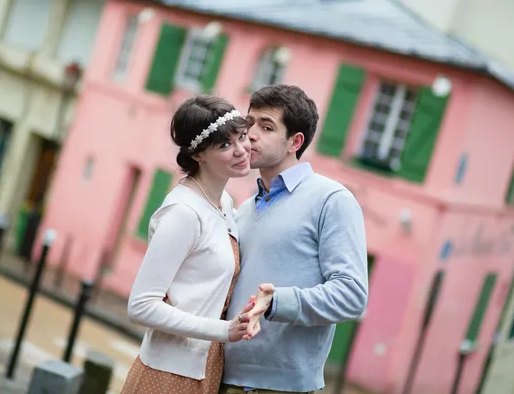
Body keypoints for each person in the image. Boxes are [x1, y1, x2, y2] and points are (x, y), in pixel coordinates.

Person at [220, 85, 369, 394]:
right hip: (222, 377)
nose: (251, 134)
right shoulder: (244, 209)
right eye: (250, 123)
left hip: (282, 389)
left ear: (295, 141)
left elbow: (352, 295)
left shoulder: (331, 199)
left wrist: (278, 302)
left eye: (267, 126)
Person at [121, 95, 265, 394]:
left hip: (205, 367)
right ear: (198, 155)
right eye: (224, 145)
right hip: (168, 374)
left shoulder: (224, 203)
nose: (241, 150)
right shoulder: (184, 213)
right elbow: (141, 306)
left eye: (241, 137)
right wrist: (223, 330)